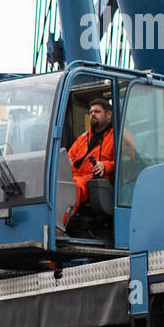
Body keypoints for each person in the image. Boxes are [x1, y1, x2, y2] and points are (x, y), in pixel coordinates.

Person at [62, 97, 115, 229]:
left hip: (98, 179)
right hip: (76, 176)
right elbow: (68, 158)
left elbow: (126, 164)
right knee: (57, 183)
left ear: (109, 115)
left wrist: (104, 165)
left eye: (97, 112)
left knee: (75, 186)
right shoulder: (83, 138)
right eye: (91, 112)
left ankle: (59, 226)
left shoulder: (117, 136)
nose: (92, 114)